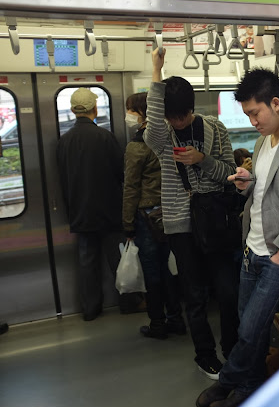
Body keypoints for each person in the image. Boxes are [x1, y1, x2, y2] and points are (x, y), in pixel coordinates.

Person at [196, 68, 279, 407]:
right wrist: (246, 183)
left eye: (255, 112)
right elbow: (267, 190)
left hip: (277, 255)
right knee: (246, 324)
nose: (252, 120)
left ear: (276, 103)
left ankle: (228, 379)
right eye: (248, 114)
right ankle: (249, 387)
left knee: (252, 330)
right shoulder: (262, 141)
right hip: (252, 248)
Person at [144, 48, 239, 377]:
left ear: (191, 108)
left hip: (214, 219)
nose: (176, 122)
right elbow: (155, 117)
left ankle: (232, 348)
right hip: (181, 225)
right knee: (195, 296)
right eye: (171, 116)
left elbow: (228, 171)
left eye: (181, 116)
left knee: (228, 291)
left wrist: (203, 162)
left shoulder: (215, 127)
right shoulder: (160, 135)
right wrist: (156, 70)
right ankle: (205, 354)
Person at [56, 88, 125, 321]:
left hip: (80, 212)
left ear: (74, 111)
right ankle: (128, 301)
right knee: (118, 260)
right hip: (109, 210)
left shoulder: (64, 142)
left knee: (87, 263)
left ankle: (90, 309)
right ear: (94, 109)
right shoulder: (106, 137)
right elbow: (121, 173)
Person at [122, 92, 186, 339]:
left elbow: (131, 188)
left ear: (141, 113)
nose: (128, 116)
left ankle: (158, 324)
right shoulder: (169, 138)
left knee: (153, 271)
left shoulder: (137, 146)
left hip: (147, 216)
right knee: (170, 268)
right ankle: (176, 318)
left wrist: (128, 224)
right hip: (171, 210)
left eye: (131, 111)